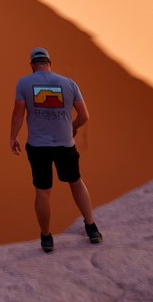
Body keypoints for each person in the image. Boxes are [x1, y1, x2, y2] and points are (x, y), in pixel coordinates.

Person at [9, 46, 103, 253]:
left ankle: (46, 238)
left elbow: (18, 114)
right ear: (50, 63)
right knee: (76, 182)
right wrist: (73, 127)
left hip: (38, 146)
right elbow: (84, 116)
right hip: (65, 144)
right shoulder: (69, 83)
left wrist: (13, 137)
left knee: (43, 192)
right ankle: (92, 229)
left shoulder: (24, 83)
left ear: (32, 65)